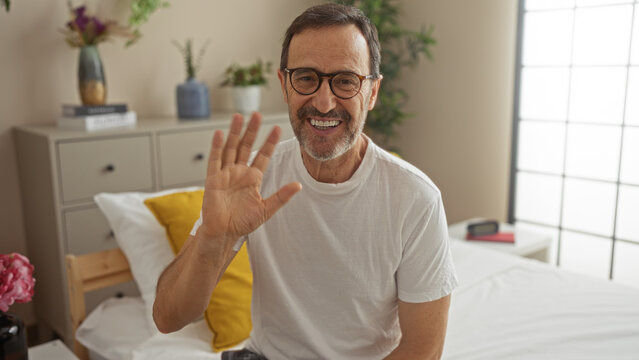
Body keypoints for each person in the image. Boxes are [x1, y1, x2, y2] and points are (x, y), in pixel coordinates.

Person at [153, 3, 458, 359]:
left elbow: (423, 348)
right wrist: (213, 238)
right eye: (306, 78)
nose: (324, 103)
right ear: (285, 85)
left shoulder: (415, 199)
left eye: (346, 80)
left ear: (372, 93)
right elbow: (168, 318)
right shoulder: (253, 180)